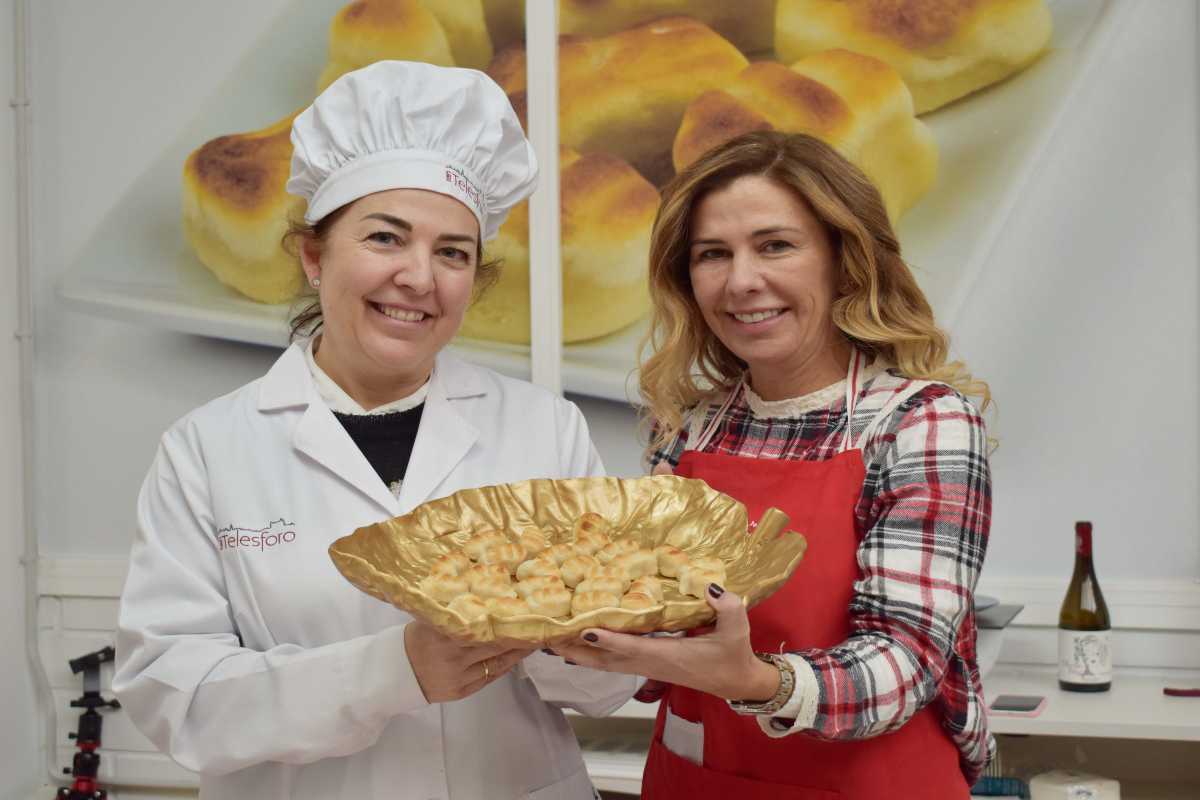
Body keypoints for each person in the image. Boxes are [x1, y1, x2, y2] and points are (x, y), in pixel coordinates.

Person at [113, 61, 637, 800]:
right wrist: (397, 671)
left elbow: (607, 691)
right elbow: (179, 703)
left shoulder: (544, 430)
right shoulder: (208, 449)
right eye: (387, 238)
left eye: (453, 252)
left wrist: (570, 634)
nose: (420, 277)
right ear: (314, 254)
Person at [553, 130, 994, 798]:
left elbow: (904, 665)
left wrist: (759, 681)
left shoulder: (920, 423)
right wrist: (582, 620)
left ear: (844, 261)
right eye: (712, 255)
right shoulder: (689, 427)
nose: (740, 282)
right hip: (697, 780)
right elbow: (657, 639)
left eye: (775, 245)